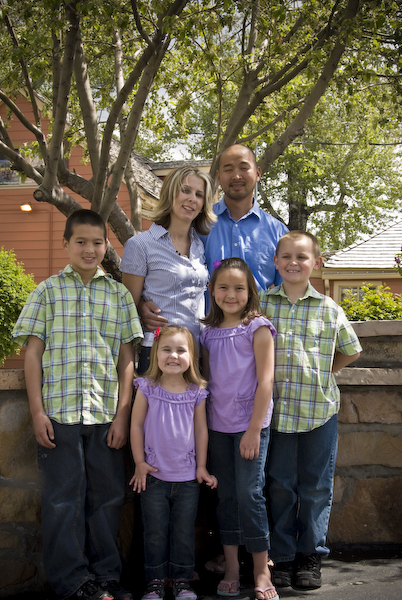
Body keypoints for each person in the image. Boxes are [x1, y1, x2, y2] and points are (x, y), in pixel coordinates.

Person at [12, 209, 143, 600]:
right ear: (65, 244)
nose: (90, 249)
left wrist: (122, 415)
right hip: (59, 415)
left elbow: (127, 360)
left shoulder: (118, 295)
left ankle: (106, 577)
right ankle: (71, 581)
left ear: (107, 245)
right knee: (61, 500)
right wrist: (37, 412)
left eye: (97, 242)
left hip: (105, 415)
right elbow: (32, 355)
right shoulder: (47, 291)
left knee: (107, 499)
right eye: (81, 242)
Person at [259, 231, 362, 591]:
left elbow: (352, 349)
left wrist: (327, 372)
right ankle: (283, 555)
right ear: (276, 262)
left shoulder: (329, 308)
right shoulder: (262, 304)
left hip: (319, 411)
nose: (293, 263)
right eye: (286, 256)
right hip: (277, 414)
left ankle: (310, 555)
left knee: (316, 486)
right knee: (280, 485)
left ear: (315, 263)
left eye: (302, 257)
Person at [139, 144, 288, 333]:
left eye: (243, 168)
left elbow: (289, 292)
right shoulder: (197, 223)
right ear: (218, 176)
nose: (236, 176)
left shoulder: (278, 233)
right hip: (204, 340)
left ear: (258, 173)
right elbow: (161, 268)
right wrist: (141, 305)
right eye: (228, 169)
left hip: (257, 340)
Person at [200, 258, 278, 600]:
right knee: (227, 497)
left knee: (250, 495)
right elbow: (206, 382)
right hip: (217, 427)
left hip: (249, 426)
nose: (230, 295)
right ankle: (231, 566)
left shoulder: (257, 327)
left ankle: (261, 570)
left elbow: (266, 381)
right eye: (223, 287)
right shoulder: (207, 333)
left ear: (250, 292)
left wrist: (253, 430)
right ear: (212, 290)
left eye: (239, 288)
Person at [130, 325, 217, 600]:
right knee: (155, 532)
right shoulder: (147, 388)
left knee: (182, 532)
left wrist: (201, 466)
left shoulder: (196, 392)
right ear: (156, 353)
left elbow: (201, 430)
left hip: (187, 478)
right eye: (166, 349)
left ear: (191, 356)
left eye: (181, 350)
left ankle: (182, 580)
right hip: (153, 476)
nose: (173, 356)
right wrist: (139, 462)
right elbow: (136, 425)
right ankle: (155, 581)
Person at [120, 166, 216, 373]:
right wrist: (141, 307)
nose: (192, 199)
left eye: (199, 195)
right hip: (158, 354)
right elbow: (127, 310)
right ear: (171, 193)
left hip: (196, 353)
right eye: (185, 190)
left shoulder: (200, 245)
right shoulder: (141, 245)